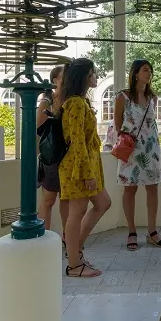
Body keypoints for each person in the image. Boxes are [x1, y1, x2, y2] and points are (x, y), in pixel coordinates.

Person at [58, 58, 112, 277]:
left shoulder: (78, 101)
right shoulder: (76, 104)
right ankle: (74, 264)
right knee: (77, 212)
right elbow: (77, 140)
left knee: (103, 202)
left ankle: (75, 252)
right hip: (77, 166)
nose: (96, 77)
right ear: (83, 77)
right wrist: (86, 173)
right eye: (92, 73)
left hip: (84, 162)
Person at [114, 60, 161, 251]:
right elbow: (117, 125)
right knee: (130, 189)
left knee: (153, 188)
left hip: (151, 148)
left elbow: (152, 124)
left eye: (150, 70)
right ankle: (132, 231)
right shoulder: (122, 96)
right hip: (131, 148)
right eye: (145, 70)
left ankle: (152, 231)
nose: (149, 73)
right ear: (135, 73)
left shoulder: (153, 97)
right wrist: (124, 142)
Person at [36, 65, 71, 243]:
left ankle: (67, 237)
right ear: (55, 80)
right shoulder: (47, 102)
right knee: (49, 199)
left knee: (67, 199)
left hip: (67, 155)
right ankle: (43, 237)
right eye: (63, 76)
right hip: (51, 157)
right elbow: (38, 131)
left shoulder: (72, 100)